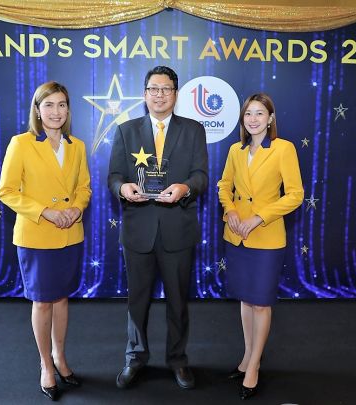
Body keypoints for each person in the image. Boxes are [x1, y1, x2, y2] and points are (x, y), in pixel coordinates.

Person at [108, 66, 209, 390]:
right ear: (144, 93)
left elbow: (201, 175)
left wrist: (185, 188)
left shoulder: (193, 130)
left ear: (175, 94)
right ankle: (135, 357)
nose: (159, 94)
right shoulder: (126, 130)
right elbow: (114, 176)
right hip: (138, 231)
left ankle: (178, 360)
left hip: (178, 229)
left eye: (166, 89)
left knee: (178, 302)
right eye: (154, 88)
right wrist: (123, 188)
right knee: (136, 301)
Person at [0, 81, 91, 402]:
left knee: (62, 299)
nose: (56, 111)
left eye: (62, 104)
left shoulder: (77, 146)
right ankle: (45, 365)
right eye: (49, 105)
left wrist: (76, 209)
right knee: (42, 302)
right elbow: (7, 191)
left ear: (68, 110)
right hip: (37, 235)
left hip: (69, 234)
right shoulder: (21, 143)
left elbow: (84, 187)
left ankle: (60, 357)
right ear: (37, 110)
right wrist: (46, 212)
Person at [217, 93, 303, 400]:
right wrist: (230, 211)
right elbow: (224, 186)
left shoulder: (283, 148)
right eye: (248, 114)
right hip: (237, 235)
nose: (253, 119)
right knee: (246, 299)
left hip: (266, 237)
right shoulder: (235, 150)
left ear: (270, 119)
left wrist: (259, 217)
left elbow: (295, 195)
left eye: (259, 113)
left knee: (261, 303)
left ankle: (253, 366)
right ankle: (246, 356)